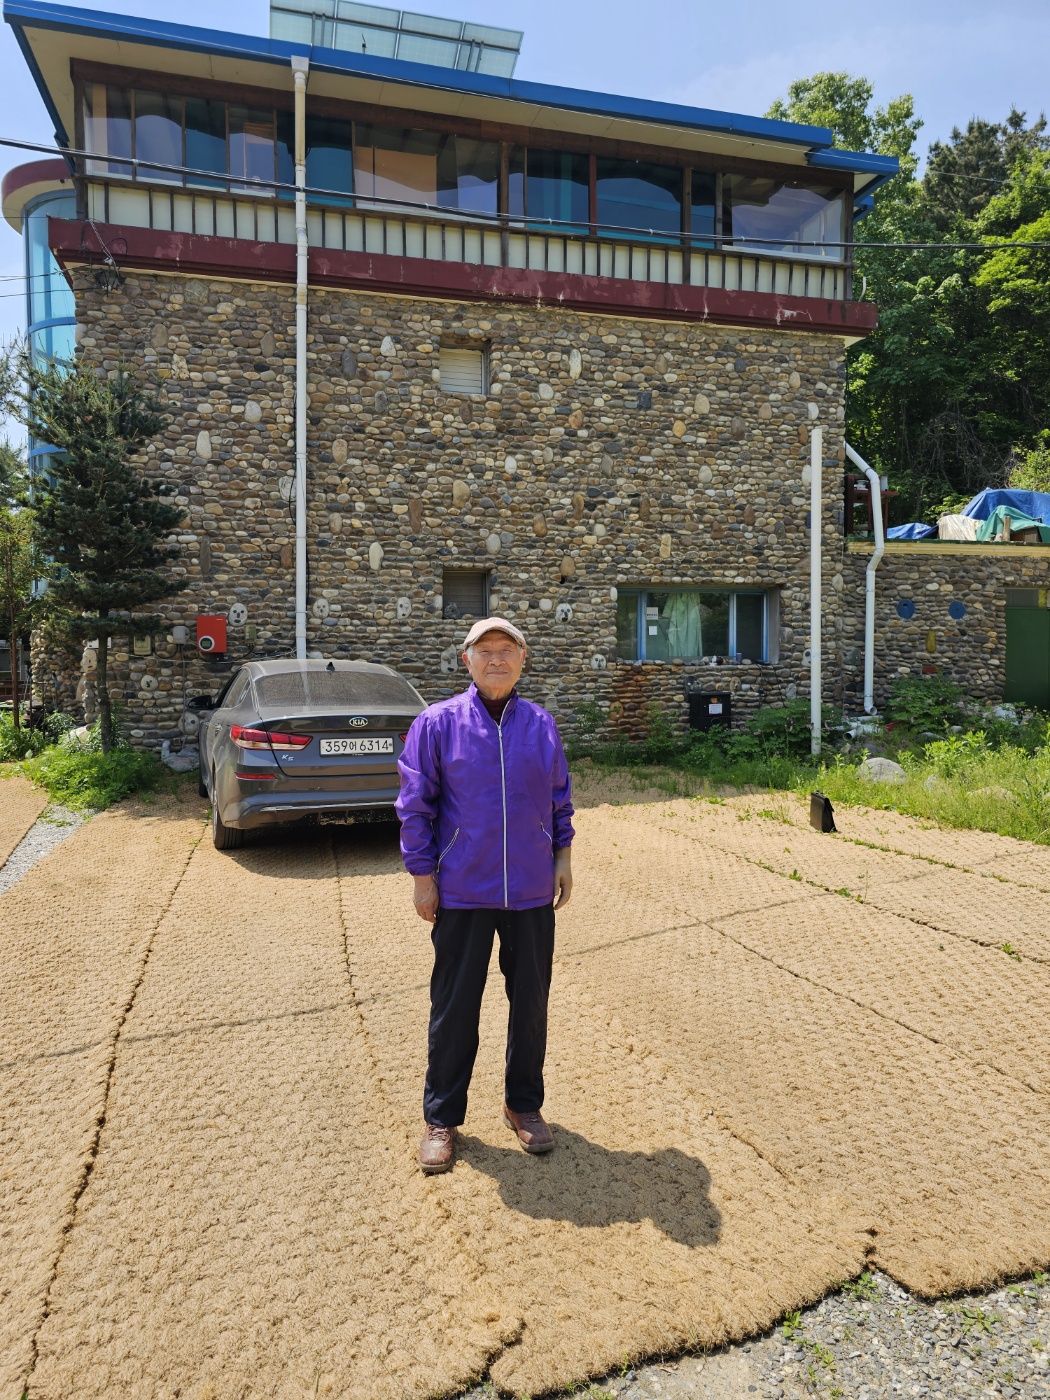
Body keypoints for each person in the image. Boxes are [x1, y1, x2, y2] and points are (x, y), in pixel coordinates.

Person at [396, 617, 575, 1174]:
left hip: (530, 890)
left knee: (531, 1004)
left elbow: (559, 799)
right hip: (463, 890)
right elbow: (415, 806)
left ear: (522, 659)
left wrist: (563, 857)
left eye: (507, 650)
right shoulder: (437, 723)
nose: (496, 659)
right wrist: (423, 877)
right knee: (454, 1008)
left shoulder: (541, 724)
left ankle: (524, 1104)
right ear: (467, 659)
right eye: (485, 650)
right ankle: (441, 1118)